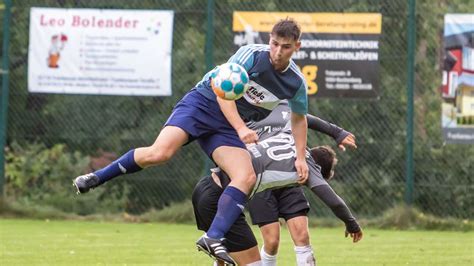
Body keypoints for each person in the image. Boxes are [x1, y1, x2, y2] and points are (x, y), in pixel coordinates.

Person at [73, 18, 308, 264]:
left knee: (246, 176)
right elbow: (222, 92)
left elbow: (299, 119)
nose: (278, 52)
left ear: (297, 47)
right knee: (160, 153)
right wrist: (241, 128)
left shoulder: (295, 82)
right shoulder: (250, 55)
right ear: (269, 40)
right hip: (203, 103)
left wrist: (300, 157)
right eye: (274, 43)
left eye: (286, 47)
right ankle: (96, 177)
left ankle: (213, 237)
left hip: (226, 126)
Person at [194, 102, 362, 265]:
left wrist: (337, 132)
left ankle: (215, 239)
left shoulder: (283, 118)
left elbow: (304, 118)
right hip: (220, 198)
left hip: (209, 188)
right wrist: (352, 224)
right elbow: (334, 202)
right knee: (257, 250)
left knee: (233, 252)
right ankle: (214, 237)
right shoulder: (307, 166)